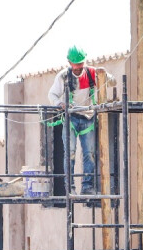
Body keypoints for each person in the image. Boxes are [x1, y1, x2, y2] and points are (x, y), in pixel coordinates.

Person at [47, 46, 115, 195]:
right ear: (69, 62)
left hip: (88, 118)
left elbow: (113, 83)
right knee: (70, 153)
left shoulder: (92, 73)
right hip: (71, 118)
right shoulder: (63, 76)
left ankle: (87, 187)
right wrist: (60, 104)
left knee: (89, 153)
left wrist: (105, 75)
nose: (78, 67)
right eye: (75, 64)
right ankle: (69, 187)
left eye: (80, 64)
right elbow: (52, 95)